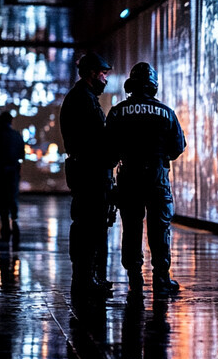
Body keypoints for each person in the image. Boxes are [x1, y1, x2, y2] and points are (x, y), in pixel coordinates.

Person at [105, 62, 186, 295]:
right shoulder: (166, 113)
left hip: (129, 177)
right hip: (157, 177)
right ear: (153, 87)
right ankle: (161, 279)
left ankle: (135, 278)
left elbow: (109, 150)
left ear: (131, 86)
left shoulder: (118, 112)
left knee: (130, 228)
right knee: (159, 228)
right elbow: (177, 147)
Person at [59, 52, 114, 297]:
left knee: (89, 225)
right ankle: (86, 278)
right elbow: (98, 140)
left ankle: (89, 277)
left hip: (86, 171)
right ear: (92, 73)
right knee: (90, 227)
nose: (105, 79)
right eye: (103, 74)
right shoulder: (84, 100)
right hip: (90, 173)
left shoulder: (82, 97)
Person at [0, 110, 25, 242]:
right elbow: (21, 155)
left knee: (0, 199)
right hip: (12, 173)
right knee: (12, 197)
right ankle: (14, 220)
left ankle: (5, 223)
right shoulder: (16, 136)